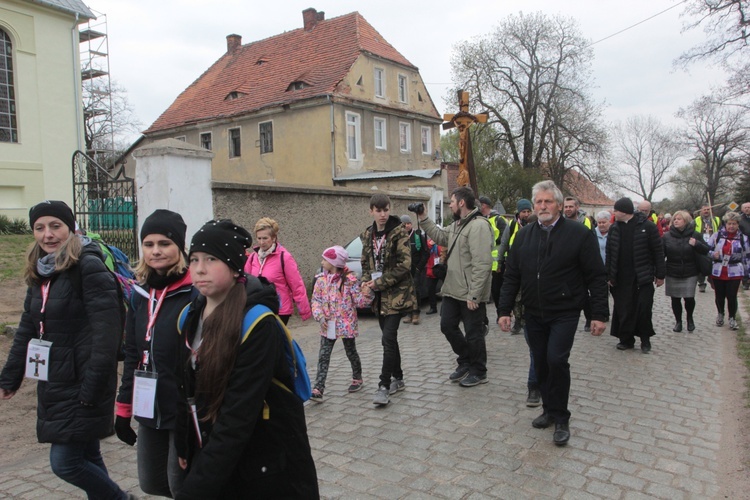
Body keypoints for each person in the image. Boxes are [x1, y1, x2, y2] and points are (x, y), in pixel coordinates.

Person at [175, 219, 318, 499]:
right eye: (194, 259)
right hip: (215, 450)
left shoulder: (257, 324)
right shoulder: (189, 316)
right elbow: (184, 389)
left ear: (233, 265)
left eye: (211, 259)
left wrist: (196, 487)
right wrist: (184, 443)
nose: (199, 268)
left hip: (262, 460)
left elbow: (238, 416)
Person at [0, 201, 132, 499]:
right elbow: (27, 327)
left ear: (70, 228)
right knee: (87, 453)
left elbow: (107, 331)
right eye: (40, 227)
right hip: (55, 377)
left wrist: (93, 385)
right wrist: (10, 376)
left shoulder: (87, 265)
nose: (48, 234)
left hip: (83, 379)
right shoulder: (41, 269)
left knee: (66, 463)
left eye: (55, 226)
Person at [497, 181, 608, 446]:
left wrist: (599, 314)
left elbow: (596, 276)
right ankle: (548, 409)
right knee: (542, 361)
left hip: (564, 310)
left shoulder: (578, 234)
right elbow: (511, 274)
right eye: (539, 202)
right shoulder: (524, 235)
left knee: (557, 360)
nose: (543, 206)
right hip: (534, 312)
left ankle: (561, 417)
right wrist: (504, 309)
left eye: (548, 202)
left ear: (559, 205)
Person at [115, 209, 192, 497]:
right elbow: (133, 354)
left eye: (164, 244)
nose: (156, 251)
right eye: (149, 244)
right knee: (151, 482)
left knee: (180, 484)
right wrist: (124, 408)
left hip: (183, 407)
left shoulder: (194, 293)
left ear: (180, 247)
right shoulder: (139, 294)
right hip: (150, 405)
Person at [418, 187, 494, 387]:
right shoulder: (458, 225)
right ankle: (466, 359)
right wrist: (423, 218)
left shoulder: (478, 226)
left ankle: (479, 370)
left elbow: (483, 264)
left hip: (470, 293)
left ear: (461, 203)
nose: (449, 204)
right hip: (453, 290)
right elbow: (442, 237)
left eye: (451, 201)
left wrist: (475, 295)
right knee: (447, 326)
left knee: (474, 333)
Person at [360, 194, 413, 406]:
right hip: (378, 298)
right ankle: (398, 377)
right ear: (371, 211)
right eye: (378, 210)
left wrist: (378, 283)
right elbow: (366, 265)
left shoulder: (399, 232)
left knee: (388, 339)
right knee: (388, 338)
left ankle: (383, 385)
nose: (383, 215)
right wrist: (365, 283)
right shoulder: (367, 235)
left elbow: (405, 265)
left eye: (386, 210)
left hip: (396, 295)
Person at [310, 245, 371, 402]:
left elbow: (359, 301)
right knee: (323, 355)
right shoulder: (321, 280)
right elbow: (316, 300)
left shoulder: (349, 280)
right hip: (328, 324)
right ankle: (319, 387)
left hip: (346, 323)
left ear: (334, 262)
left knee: (351, 352)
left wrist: (366, 293)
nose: (322, 262)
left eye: (325, 259)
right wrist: (320, 317)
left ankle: (357, 377)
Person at [606, 197, 665, 353]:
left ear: (624, 211)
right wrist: (608, 275)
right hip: (621, 277)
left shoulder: (648, 227)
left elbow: (658, 252)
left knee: (643, 309)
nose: (614, 212)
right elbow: (610, 253)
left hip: (642, 276)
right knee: (623, 309)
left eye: (616, 210)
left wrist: (660, 275)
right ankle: (626, 339)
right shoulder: (614, 228)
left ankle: (645, 340)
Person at [497, 198, 539, 406]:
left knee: (553, 355)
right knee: (535, 348)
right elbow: (511, 279)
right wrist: (503, 311)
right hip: (525, 291)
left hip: (553, 307)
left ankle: (541, 385)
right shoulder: (515, 230)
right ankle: (534, 386)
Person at [244, 217, 311, 324]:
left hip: (280, 309)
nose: (261, 242)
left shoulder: (284, 257)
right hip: (259, 307)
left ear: (274, 238)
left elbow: (297, 285)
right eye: (259, 238)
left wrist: (304, 310)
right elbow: (246, 282)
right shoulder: (253, 258)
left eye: (265, 238)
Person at [662, 211, 709, 333]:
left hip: (690, 271)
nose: (676, 221)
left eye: (679, 219)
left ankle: (690, 318)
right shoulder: (667, 236)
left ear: (686, 221)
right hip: (672, 270)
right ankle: (678, 321)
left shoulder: (695, 235)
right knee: (675, 298)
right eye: (674, 219)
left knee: (689, 298)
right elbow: (661, 253)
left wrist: (696, 244)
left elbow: (706, 250)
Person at [708, 212, 750, 330]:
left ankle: (732, 317)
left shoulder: (743, 238)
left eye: (734, 224)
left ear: (738, 225)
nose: (731, 226)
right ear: (725, 224)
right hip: (718, 270)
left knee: (732, 296)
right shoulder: (717, 236)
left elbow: (747, 256)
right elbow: (707, 249)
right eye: (729, 224)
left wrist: (748, 273)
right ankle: (720, 314)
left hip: (735, 271)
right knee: (719, 295)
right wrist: (713, 254)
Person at [498, 198, 533, 334]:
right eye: (523, 211)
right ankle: (517, 320)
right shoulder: (512, 225)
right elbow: (504, 244)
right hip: (514, 265)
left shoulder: (534, 224)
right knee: (516, 296)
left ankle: (526, 319)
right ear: (518, 212)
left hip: (529, 266)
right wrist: (500, 262)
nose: (526, 214)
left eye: (528, 211)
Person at [479, 196, 507, 324]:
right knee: (482, 290)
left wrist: (489, 241)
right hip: (482, 261)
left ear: (484, 205)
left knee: (496, 291)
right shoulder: (479, 219)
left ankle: (500, 313)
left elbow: (504, 237)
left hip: (496, 263)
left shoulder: (498, 220)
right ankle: (482, 317)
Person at [400, 214, 428, 325]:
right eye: (404, 224)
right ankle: (408, 313)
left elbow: (425, 253)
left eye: (408, 223)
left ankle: (416, 313)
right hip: (404, 271)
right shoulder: (400, 238)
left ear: (411, 224)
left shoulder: (417, 236)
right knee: (406, 292)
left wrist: (418, 268)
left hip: (416, 268)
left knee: (415, 291)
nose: (406, 226)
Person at [695, 204, 722, 293]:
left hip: (713, 244)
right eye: (704, 210)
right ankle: (701, 283)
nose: (706, 211)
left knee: (712, 262)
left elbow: (721, 230)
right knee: (701, 263)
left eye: (708, 209)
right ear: (701, 211)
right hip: (701, 244)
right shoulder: (696, 220)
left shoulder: (716, 219)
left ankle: (712, 279)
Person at [424, 237, 443, 315]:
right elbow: (425, 251)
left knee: (447, 289)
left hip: (442, 268)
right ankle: (433, 307)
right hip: (432, 269)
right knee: (430, 290)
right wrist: (430, 244)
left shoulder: (441, 242)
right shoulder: (428, 243)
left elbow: (443, 252)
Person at [740, 202, 750, 290]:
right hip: (745, 243)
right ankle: (746, 281)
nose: (747, 209)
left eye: (749, 207)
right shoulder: (740, 219)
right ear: (742, 209)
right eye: (745, 207)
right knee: (745, 263)